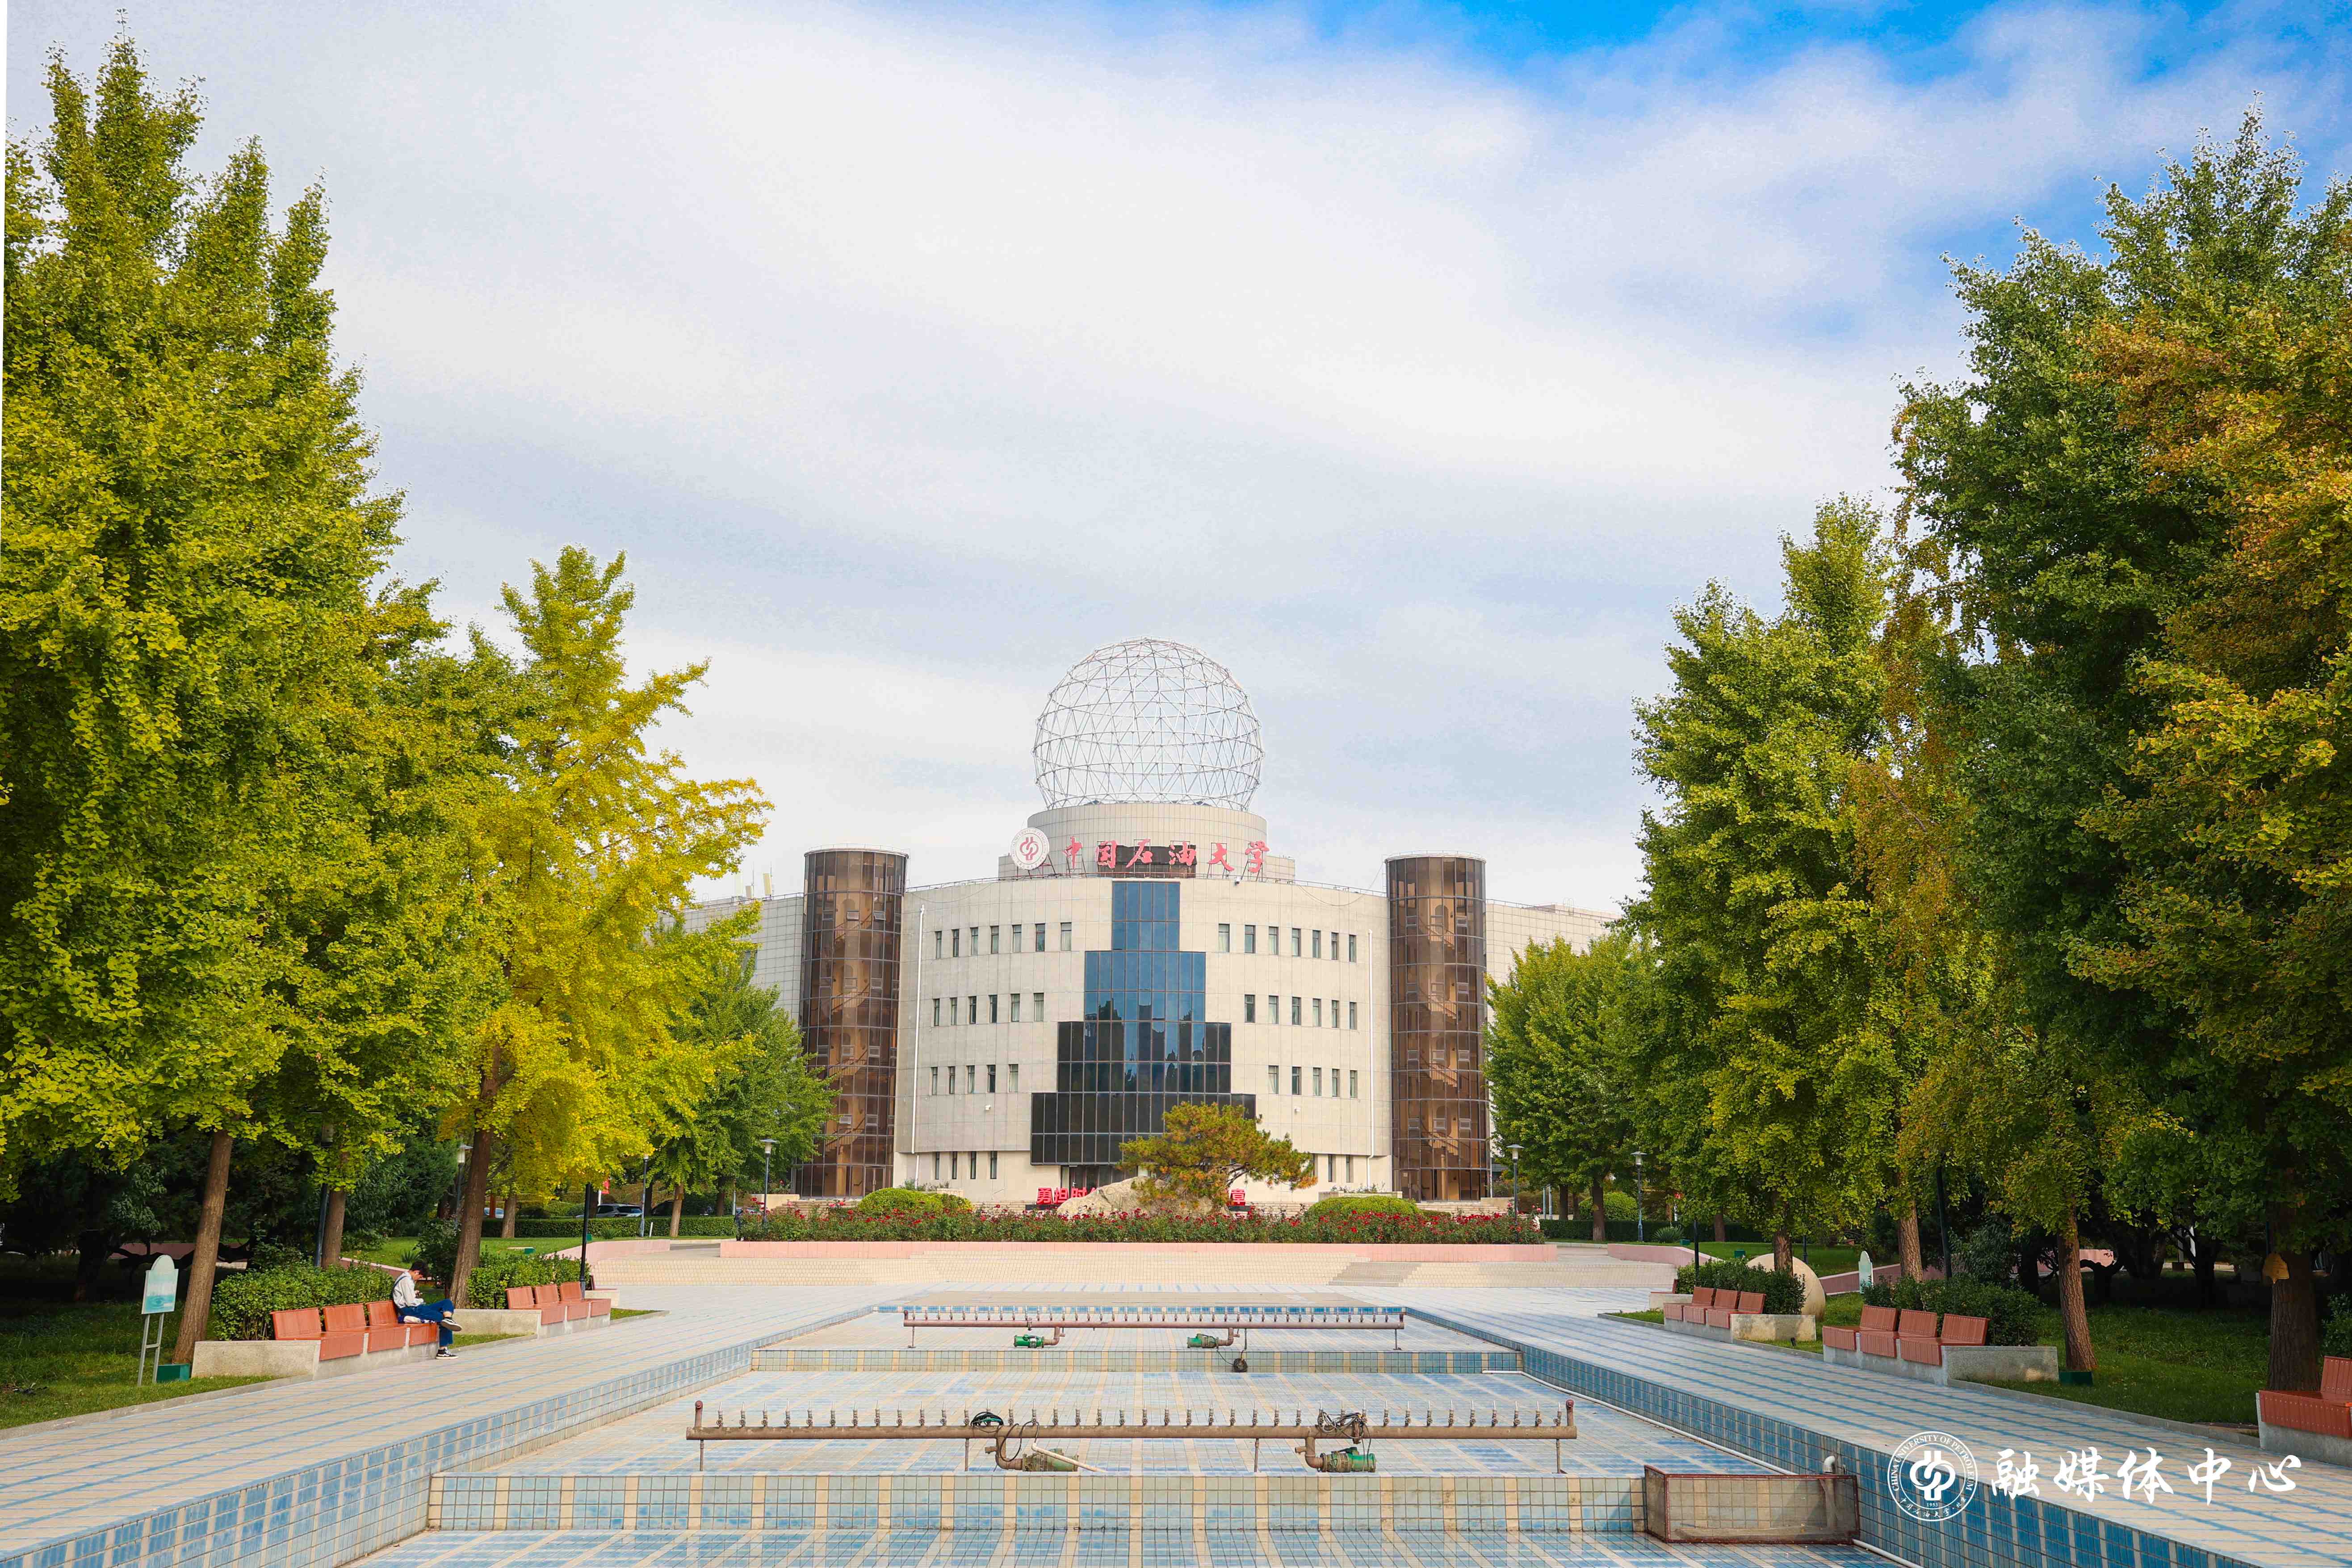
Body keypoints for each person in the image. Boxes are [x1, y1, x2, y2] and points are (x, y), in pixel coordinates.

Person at [391, 1266, 462, 1357]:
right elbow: (410, 1302)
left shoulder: (406, 1278)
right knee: (442, 1318)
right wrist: (421, 1300)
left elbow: (407, 1297)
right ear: (417, 1272)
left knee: (447, 1302)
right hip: (412, 1310)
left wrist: (414, 1294)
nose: (418, 1279)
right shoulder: (406, 1280)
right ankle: (442, 1350)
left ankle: (449, 1319)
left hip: (416, 1308)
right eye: (420, 1277)